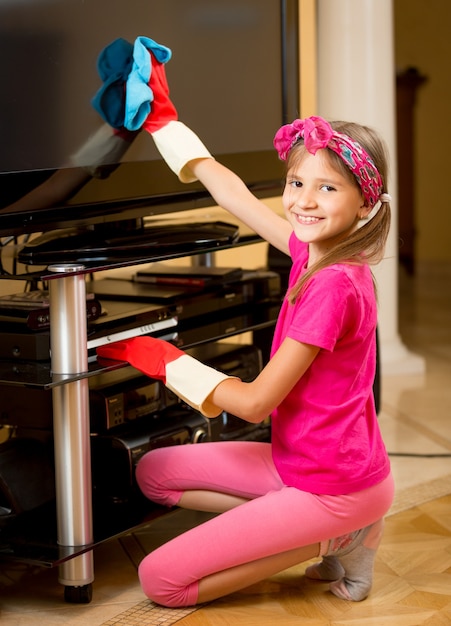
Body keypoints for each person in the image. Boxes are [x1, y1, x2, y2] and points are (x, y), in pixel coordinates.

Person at [96, 48, 394, 609]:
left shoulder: (332, 284)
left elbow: (255, 404)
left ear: (364, 204)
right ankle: (300, 527)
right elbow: (233, 195)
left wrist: (161, 359)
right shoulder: (316, 254)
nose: (303, 201)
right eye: (296, 182)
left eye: (327, 189)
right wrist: (166, 121)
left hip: (335, 487)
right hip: (295, 462)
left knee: (163, 582)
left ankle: (335, 535)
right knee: (154, 474)